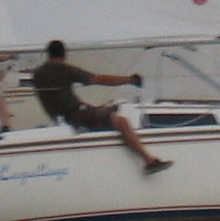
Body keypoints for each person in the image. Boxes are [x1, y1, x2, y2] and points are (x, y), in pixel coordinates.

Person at [28, 40, 171, 174]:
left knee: (107, 109)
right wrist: (130, 80)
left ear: (48, 54)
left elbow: (61, 100)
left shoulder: (38, 74)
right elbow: (98, 79)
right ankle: (149, 160)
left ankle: (105, 111)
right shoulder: (62, 69)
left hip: (64, 116)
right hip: (76, 116)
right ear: (64, 55)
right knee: (122, 122)